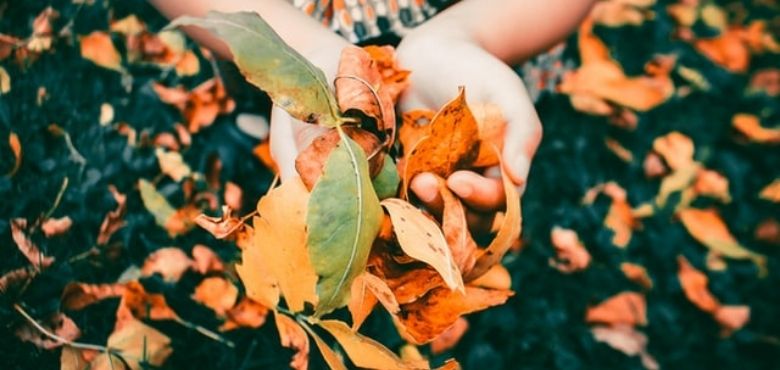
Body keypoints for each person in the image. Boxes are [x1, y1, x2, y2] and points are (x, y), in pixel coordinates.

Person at [150, 0, 595, 222]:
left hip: (493, 20)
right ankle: (258, 127)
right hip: (281, 19)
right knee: (279, 105)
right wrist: (302, 51)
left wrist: (470, 34)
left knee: (459, 158)